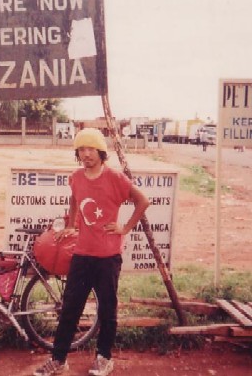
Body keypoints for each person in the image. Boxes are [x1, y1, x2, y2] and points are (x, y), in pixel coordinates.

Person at [33, 128, 150, 376]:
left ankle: (104, 357)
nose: (85, 154)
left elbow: (143, 201)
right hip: (82, 255)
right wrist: (72, 225)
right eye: (81, 150)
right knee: (70, 308)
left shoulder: (115, 178)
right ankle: (58, 359)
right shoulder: (75, 177)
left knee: (107, 309)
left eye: (90, 149)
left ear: (100, 151)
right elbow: (75, 199)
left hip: (108, 256)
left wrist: (124, 228)